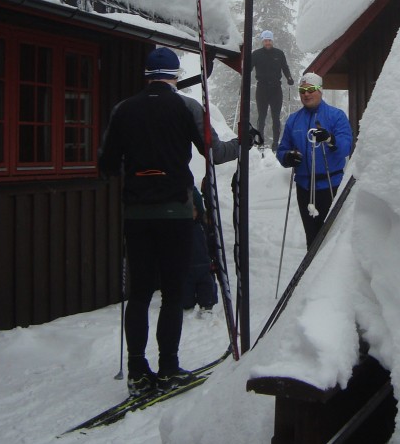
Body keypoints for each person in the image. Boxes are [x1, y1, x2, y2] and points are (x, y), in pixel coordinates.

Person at [98, 47, 239, 397]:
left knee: (140, 293)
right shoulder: (188, 107)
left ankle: (136, 370)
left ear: (147, 74)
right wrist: (243, 142)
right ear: (174, 75)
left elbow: (106, 163)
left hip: (137, 214)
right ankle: (169, 367)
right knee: (173, 294)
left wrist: (139, 168)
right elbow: (215, 152)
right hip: (175, 214)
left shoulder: (123, 110)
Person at [276, 72, 353, 248]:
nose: (306, 94)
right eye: (302, 90)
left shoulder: (336, 116)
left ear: (320, 90)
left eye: (311, 89)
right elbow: (282, 150)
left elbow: (346, 147)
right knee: (312, 237)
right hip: (304, 187)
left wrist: (330, 139)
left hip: (331, 185)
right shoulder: (294, 120)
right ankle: (311, 274)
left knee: (331, 238)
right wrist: (288, 157)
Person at [253, 30, 293, 150]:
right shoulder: (256, 54)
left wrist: (289, 78)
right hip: (262, 88)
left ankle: (276, 144)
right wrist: (243, 74)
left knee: (276, 117)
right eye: (265, 40)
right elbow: (249, 67)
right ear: (262, 41)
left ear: (272, 41)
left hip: (276, 89)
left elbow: (285, 67)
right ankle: (260, 143)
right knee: (262, 116)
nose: (267, 42)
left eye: (269, 40)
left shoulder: (279, 54)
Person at [181, 188, 217, 312]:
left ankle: (207, 306)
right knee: (186, 297)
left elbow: (211, 244)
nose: (191, 212)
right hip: (186, 268)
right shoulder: (180, 229)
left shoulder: (203, 226)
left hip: (204, 266)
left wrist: (214, 260)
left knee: (207, 289)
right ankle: (187, 306)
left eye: (194, 209)